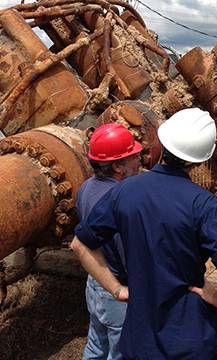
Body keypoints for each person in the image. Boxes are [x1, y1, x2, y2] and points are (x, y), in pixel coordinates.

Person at [71, 108, 217, 360]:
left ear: (162, 143)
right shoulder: (204, 204)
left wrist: (117, 290)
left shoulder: (124, 191)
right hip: (191, 335)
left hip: (141, 335)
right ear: (200, 160)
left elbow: (80, 245)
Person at [76, 123, 143, 360]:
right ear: (117, 167)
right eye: (133, 156)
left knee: (95, 346)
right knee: (120, 353)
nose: (139, 160)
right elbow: (125, 252)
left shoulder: (85, 188)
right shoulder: (120, 200)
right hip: (117, 289)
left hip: (95, 283)